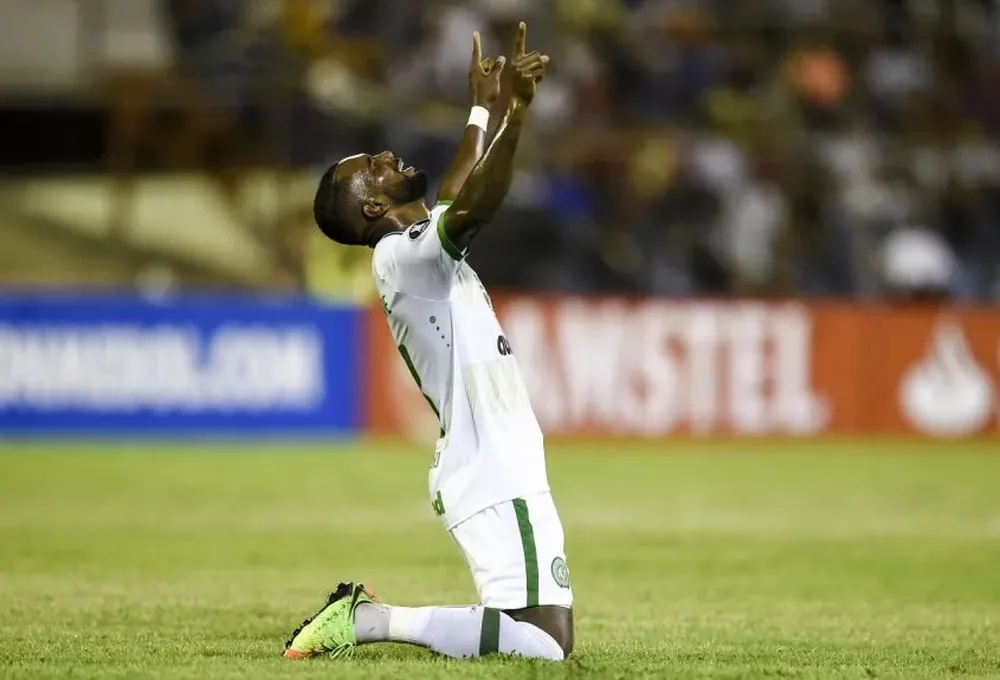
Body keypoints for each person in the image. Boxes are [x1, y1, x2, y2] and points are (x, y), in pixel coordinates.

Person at [283, 23, 573, 662]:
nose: (386, 158)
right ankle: (366, 621)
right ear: (366, 209)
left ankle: (367, 619)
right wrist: (517, 115)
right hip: (491, 463)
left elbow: (453, 197)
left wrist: (481, 107)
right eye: (372, 170)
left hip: (492, 460)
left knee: (540, 638)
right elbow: (472, 207)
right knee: (545, 644)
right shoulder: (398, 258)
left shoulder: (417, 249)